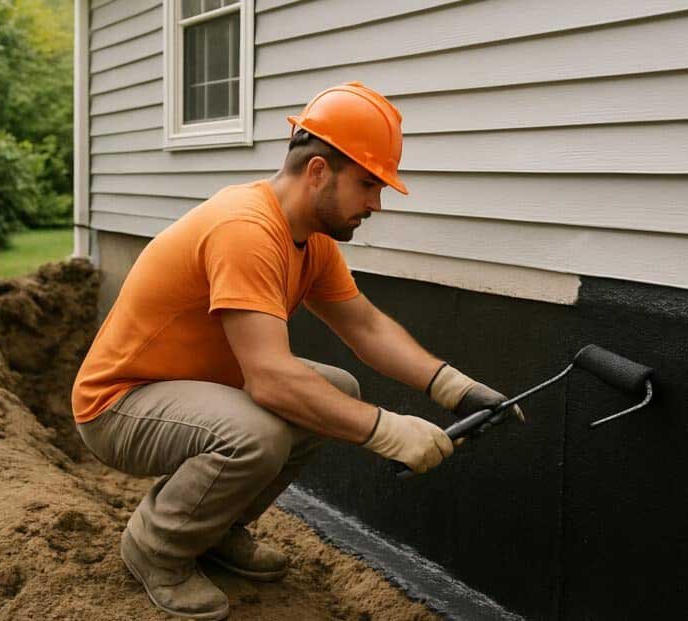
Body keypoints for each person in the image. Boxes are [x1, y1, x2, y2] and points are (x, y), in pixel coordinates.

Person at [70, 82, 524, 620]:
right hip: (119, 402)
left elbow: (366, 328)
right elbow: (269, 380)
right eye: (367, 184)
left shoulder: (311, 239)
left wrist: (454, 387)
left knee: (337, 391)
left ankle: (216, 530)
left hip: (193, 387)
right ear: (317, 172)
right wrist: (387, 430)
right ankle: (156, 548)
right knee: (258, 430)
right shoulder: (246, 228)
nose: (376, 204)